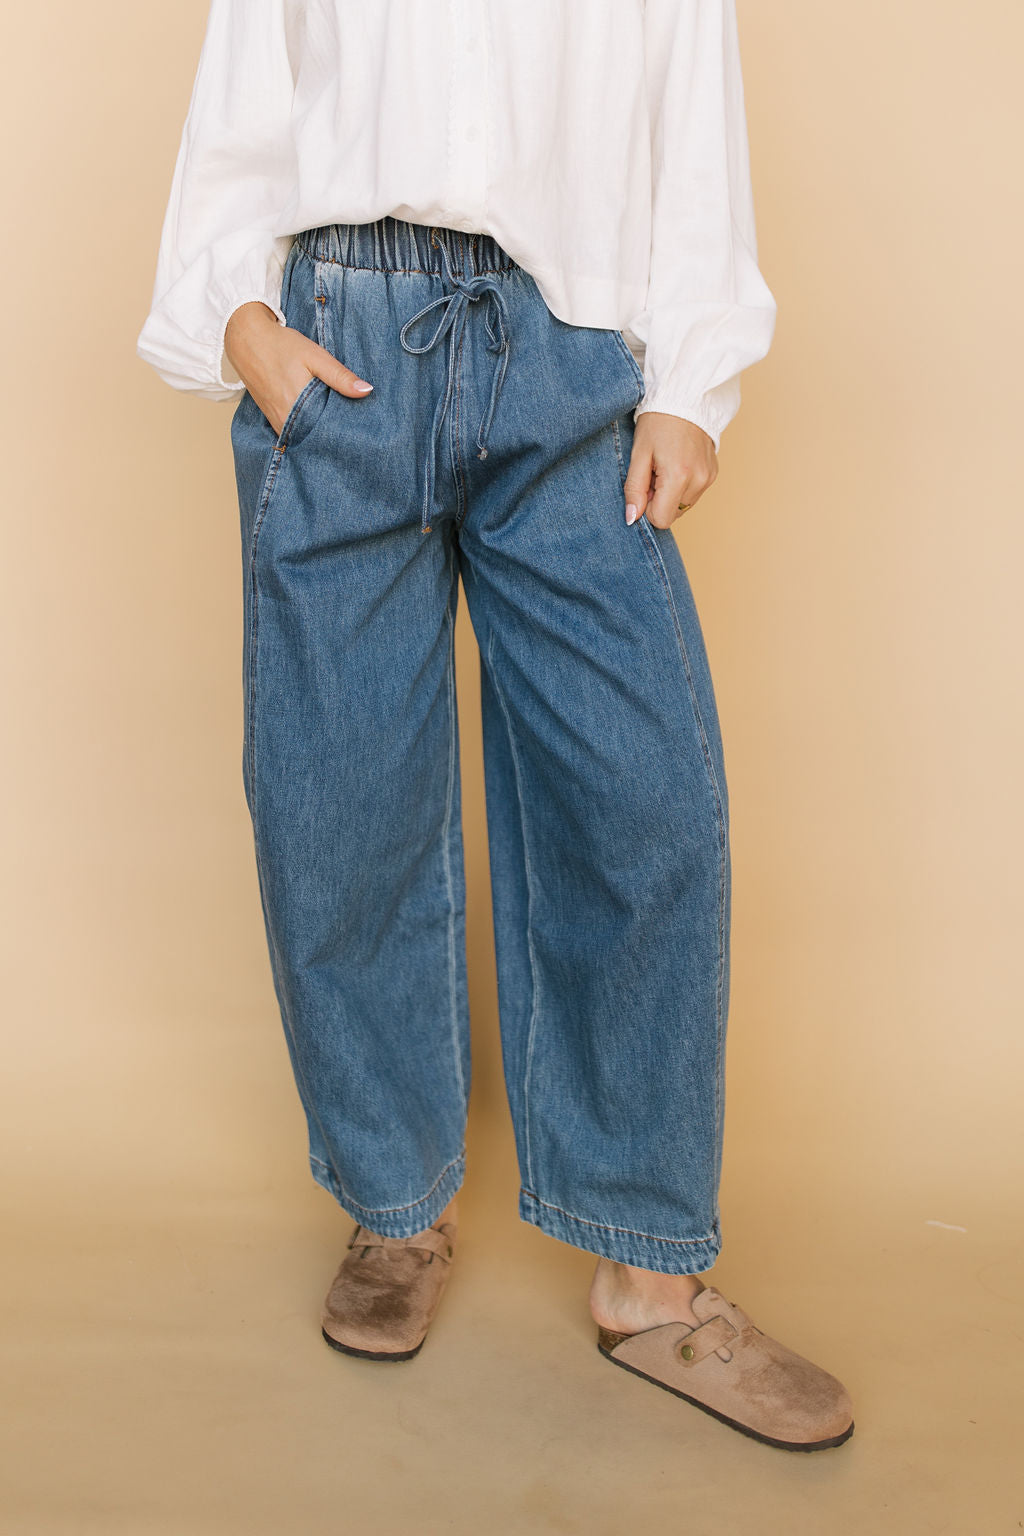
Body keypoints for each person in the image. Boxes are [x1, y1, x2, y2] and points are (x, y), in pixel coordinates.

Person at [137, 0, 854, 1452]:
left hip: (570, 355)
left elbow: (691, 119)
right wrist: (243, 323)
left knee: (643, 799)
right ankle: (394, 1204)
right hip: (341, 344)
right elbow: (247, 88)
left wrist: (693, 382)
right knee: (338, 802)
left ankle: (649, 1269)